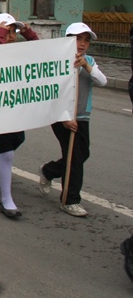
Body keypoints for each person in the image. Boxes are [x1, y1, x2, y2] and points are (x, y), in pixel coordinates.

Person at [38, 22, 106, 217]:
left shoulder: (90, 61)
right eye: (78, 39)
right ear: (67, 40)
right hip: (62, 118)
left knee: (82, 154)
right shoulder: (57, 62)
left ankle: (49, 171)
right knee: (75, 157)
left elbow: (103, 81)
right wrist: (63, 117)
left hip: (82, 116)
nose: (82, 44)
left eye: (86, 40)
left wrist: (86, 66)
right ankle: (70, 200)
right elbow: (50, 92)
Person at [0, 12, 38, 219]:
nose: (11, 35)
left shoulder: (18, 50)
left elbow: (42, 50)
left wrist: (27, 31)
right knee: (6, 153)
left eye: (14, 31)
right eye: (7, 31)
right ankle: (7, 200)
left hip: (14, 108)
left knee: (10, 144)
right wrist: (1, 35)